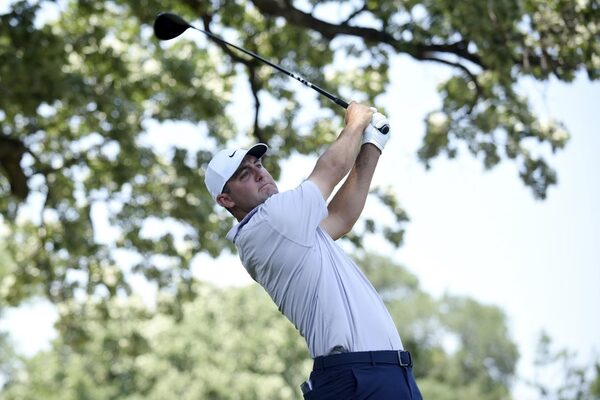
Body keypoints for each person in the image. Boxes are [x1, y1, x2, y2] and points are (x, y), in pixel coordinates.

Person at [204, 102, 422, 399]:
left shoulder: (290, 230)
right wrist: (355, 123)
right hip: (356, 378)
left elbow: (341, 217)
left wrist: (372, 143)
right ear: (226, 200)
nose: (259, 174)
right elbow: (331, 169)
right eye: (244, 174)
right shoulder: (270, 221)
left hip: (385, 374)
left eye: (258, 165)